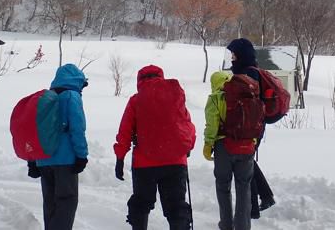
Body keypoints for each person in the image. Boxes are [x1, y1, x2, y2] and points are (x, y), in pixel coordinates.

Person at [114, 65, 196, 230]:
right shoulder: (174, 97)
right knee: (176, 206)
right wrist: (187, 146)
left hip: (145, 164)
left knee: (141, 203)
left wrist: (120, 157)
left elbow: (125, 131)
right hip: (175, 162)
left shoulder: (136, 100)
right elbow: (187, 124)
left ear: (140, 80)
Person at [29, 63, 89, 230]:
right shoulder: (71, 96)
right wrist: (81, 156)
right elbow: (77, 129)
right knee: (66, 202)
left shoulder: (45, 98)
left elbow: (34, 130)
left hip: (43, 159)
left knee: (50, 204)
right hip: (65, 160)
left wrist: (32, 160)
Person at [226, 38, 276, 219]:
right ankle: (264, 197)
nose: (231, 58)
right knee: (247, 162)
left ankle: (255, 206)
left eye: (234, 54)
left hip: (251, 126)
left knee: (245, 163)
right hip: (253, 124)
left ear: (241, 55)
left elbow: (247, 103)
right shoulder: (249, 70)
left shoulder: (248, 73)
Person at [203, 70, 257, 230]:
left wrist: (208, 144)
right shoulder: (247, 95)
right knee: (244, 186)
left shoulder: (215, 98)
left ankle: (226, 224)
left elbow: (212, 125)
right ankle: (243, 226)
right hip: (247, 147)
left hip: (223, 147)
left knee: (223, 185)